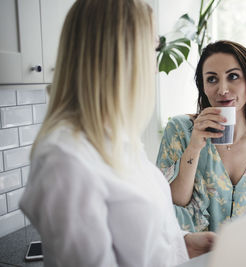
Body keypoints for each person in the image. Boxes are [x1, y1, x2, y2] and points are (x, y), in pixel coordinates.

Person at [19, 1, 215, 266]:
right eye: (152, 48)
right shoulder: (65, 160)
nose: (155, 66)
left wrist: (183, 244)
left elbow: (136, 236)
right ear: (120, 56)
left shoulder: (118, 141)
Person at [156, 40, 246, 233]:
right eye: (212, 79)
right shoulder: (180, 130)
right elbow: (172, 201)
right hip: (193, 260)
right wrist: (194, 146)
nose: (222, 89)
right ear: (202, 86)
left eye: (233, 76)